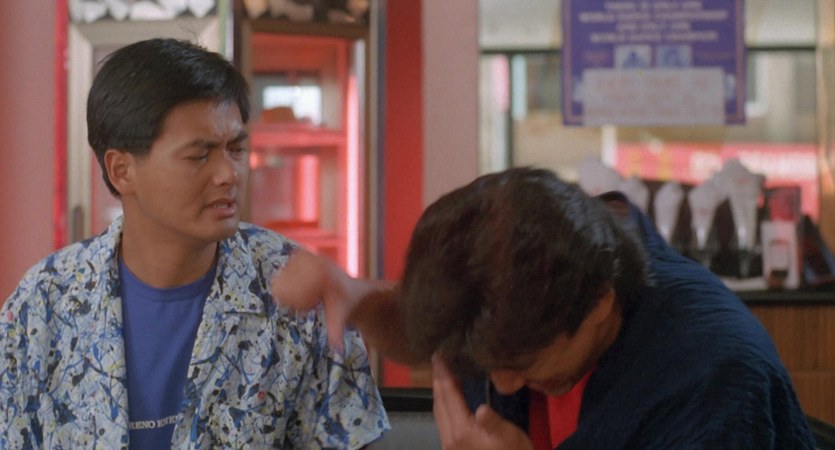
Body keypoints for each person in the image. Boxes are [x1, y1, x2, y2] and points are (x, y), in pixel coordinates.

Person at [0, 38, 387, 449]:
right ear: (121, 170)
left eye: (235, 149)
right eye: (200, 155)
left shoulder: (297, 293)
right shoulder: (46, 302)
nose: (229, 174)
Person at [273, 167, 815, 449]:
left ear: (601, 303)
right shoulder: (537, 261)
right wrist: (358, 298)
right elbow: (443, 334)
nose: (501, 384)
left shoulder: (712, 380)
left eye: (522, 364)